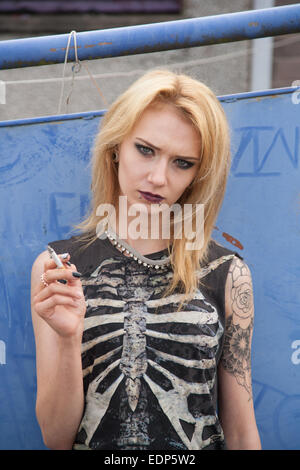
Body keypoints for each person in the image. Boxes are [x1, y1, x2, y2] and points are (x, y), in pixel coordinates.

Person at [31, 69, 261, 450]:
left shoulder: (228, 275)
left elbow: (240, 432)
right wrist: (70, 339)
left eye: (182, 163)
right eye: (146, 150)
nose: (157, 177)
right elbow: (56, 439)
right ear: (116, 145)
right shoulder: (59, 268)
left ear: (199, 175)